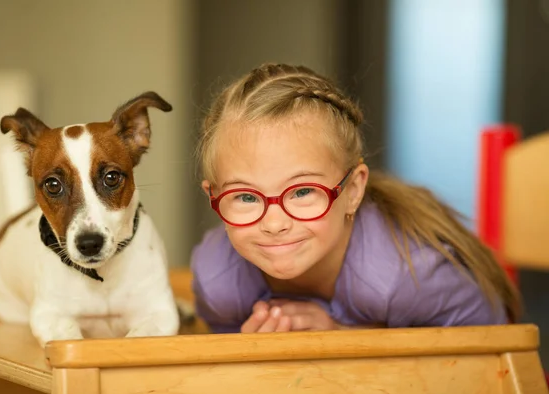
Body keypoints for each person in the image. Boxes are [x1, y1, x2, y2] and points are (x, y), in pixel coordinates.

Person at [190, 62, 520, 334]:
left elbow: (495, 354)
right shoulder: (219, 282)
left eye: (304, 191)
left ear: (353, 191)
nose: (274, 223)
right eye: (246, 197)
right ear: (214, 198)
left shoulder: (404, 274)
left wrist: (343, 335)